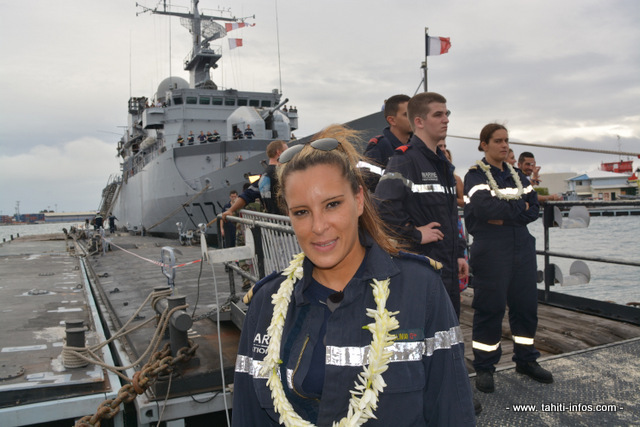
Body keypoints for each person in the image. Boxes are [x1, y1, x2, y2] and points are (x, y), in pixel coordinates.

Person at [232, 124, 475, 426]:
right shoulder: (266, 303)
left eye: (332, 204)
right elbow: (248, 415)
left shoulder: (421, 289)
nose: (318, 227)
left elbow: (452, 410)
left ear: (359, 200)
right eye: (302, 212)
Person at [464, 123, 553, 394]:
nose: (504, 145)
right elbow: (484, 209)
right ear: (484, 145)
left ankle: (526, 360)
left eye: (506, 140)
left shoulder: (518, 176)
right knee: (489, 308)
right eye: (498, 141)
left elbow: (533, 209)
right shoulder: (475, 176)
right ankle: (485, 367)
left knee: (525, 306)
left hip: (521, 245)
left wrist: (506, 214)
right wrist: (518, 208)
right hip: (492, 247)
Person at [374, 92, 467, 318]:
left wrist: (459, 253)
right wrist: (415, 234)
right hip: (421, 268)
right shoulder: (404, 160)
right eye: (438, 114)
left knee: (448, 328)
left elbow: (450, 215)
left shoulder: (443, 165)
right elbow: (382, 208)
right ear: (419, 121)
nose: (446, 119)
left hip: (447, 267)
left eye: (446, 113)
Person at [221, 140, 288, 219]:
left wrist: (231, 210)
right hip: (285, 221)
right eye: (287, 151)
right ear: (279, 152)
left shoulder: (264, 176)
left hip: (272, 220)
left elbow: (247, 195)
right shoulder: (281, 174)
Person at [361, 95, 412, 191]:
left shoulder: (418, 147)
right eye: (406, 114)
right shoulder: (379, 147)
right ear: (392, 120)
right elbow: (364, 181)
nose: (413, 118)